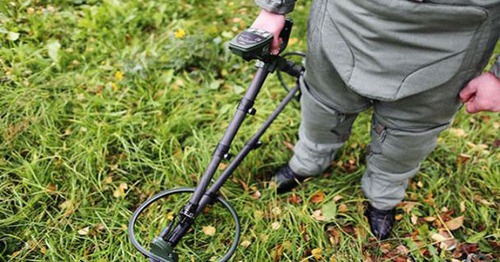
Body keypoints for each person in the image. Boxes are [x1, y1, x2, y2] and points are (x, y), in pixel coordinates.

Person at [250, 0, 500, 239]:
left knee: (411, 131)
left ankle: (383, 194)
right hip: (349, 18)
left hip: (457, 30)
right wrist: (273, 8)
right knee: (323, 105)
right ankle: (309, 160)